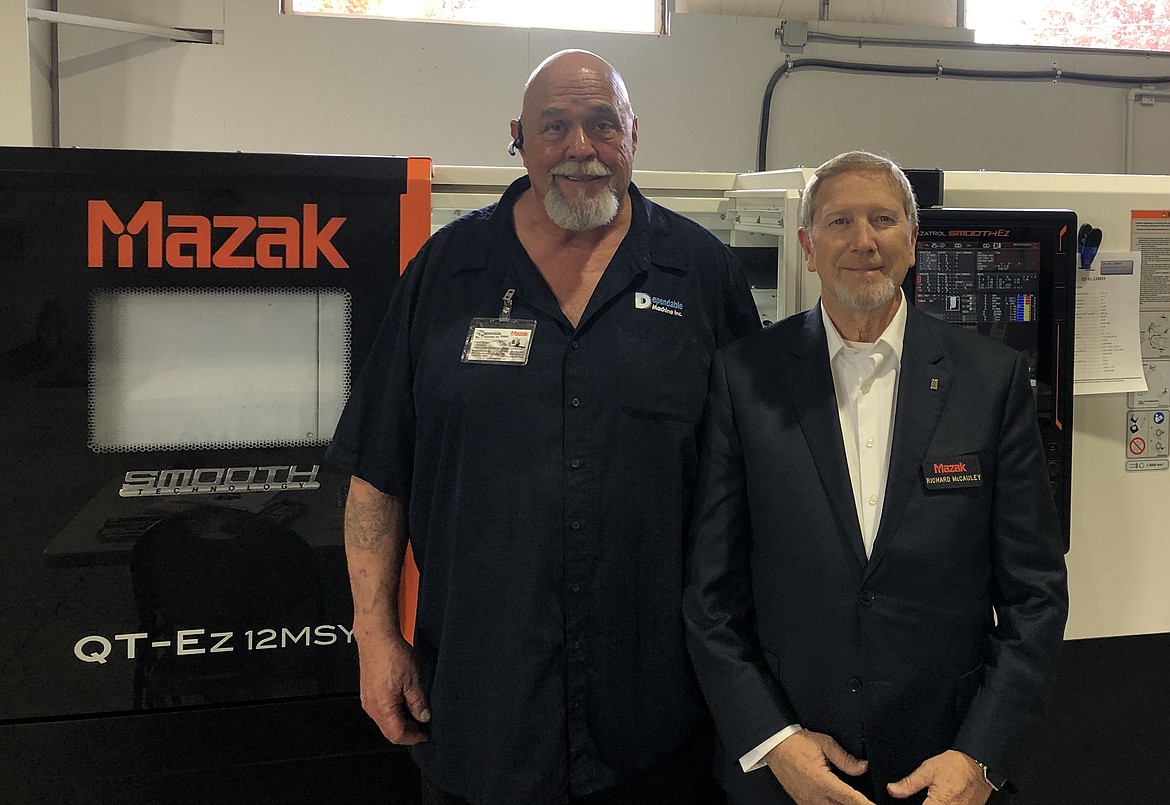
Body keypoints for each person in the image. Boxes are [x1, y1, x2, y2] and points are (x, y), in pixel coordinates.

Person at [327, 50, 761, 804]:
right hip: (482, 709)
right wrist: (373, 635)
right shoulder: (444, 272)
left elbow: (752, 486)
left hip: (661, 721)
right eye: (554, 126)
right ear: (518, 139)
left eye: (602, 124)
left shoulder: (703, 275)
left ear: (632, 134)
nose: (580, 149)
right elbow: (377, 472)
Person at [683, 151, 1069, 805]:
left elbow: (1035, 596)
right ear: (808, 246)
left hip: (944, 770)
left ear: (913, 241)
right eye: (840, 222)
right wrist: (772, 740)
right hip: (791, 772)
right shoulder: (743, 378)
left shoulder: (991, 380)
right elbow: (709, 599)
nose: (863, 241)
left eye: (883, 219)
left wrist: (982, 753)